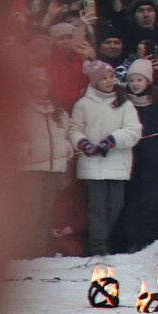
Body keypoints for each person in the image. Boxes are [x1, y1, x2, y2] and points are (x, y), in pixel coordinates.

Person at [67, 59, 140, 256]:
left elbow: (134, 130)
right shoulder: (83, 104)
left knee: (115, 205)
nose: (109, 81)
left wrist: (113, 140)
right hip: (92, 165)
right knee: (97, 207)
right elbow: (74, 130)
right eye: (104, 78)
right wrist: (84, 143)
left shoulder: (124, 104)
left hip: (117, 163)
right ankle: (97, 247)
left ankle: (109, 241)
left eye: (111, 77)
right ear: (94, 81)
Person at [18, 65, 73, 259]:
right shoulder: (20, 110)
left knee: (46, 212)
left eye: (43, 85)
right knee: (30, 212)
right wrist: (26, 151)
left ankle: (39, 253)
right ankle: (24, 253)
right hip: (31, 168)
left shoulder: (58, 110)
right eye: (36, 86)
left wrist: (66, 149)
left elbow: (68, 131)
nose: (40, 90)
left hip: (54, 167)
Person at [118, 58, 158, 252]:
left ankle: (149, 239)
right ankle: (131, 239)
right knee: (131, 202)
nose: (135, 84)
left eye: (139, 80)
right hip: (130, 160)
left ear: (148, 81)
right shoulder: (124, 104)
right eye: (131, 81)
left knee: (151, 202)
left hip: (154, 161)